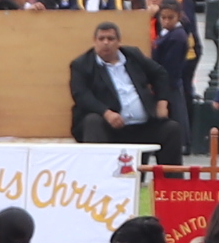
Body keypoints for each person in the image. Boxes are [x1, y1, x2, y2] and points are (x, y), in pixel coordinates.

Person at [66, 19, 170, 152]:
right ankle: (98, 170)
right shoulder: (81, 65)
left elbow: (160, 74)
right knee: (93, 121)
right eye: (101, 38)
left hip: (142, 125)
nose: (106, 43)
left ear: (119, 41)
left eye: (110, 39)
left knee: (171, 129)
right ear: (94, 41)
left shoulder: (133, 55)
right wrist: (106, 113)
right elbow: (81, 95)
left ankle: (169, 173)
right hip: (108, 126)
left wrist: (162, 103)